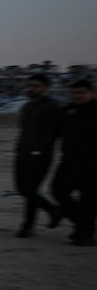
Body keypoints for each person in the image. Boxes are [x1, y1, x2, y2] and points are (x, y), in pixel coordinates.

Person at [13, 74, 61, 238]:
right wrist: (19, 148)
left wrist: (39, 150)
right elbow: (23, 130)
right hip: (23, 152)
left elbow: (52, 132)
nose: (31, 88)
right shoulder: (26, 107)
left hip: (41, 154)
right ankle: (53, 210)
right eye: (30, 85)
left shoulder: (51, 107)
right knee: (22, 189)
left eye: (36, 86)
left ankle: (28, 226)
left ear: (45, 88)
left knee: (30, 189)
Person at [51, 79, 97, 246]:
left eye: (82, 92)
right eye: (76, 93)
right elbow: (55, 130)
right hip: (69, 159)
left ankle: (86, 234)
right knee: (58, 190)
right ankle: (80, 224)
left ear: (91, 92)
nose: (78, 96)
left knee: (88, 198)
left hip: (92, 162)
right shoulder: (68, 111)